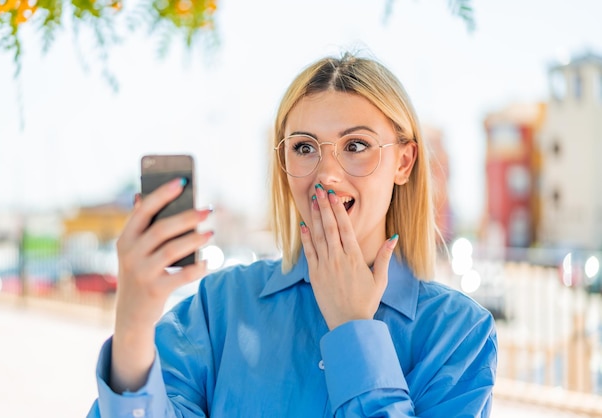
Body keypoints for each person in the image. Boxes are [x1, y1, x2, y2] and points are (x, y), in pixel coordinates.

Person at [87, 51, 497, 417]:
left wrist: (353, 328)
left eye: (356, 145)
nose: (327, 175)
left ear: (404, 163)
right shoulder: (221, 308)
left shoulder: (460, 335)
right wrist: (133, 326)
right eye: (304, 147)